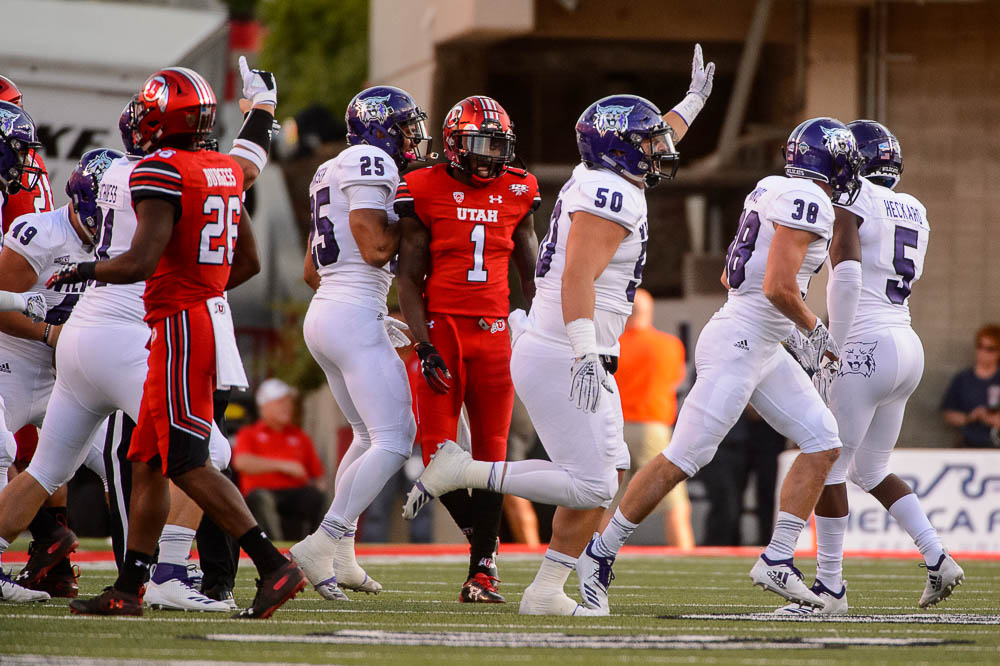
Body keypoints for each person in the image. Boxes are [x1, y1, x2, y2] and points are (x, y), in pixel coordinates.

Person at [406, 44, 713, 616]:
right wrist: (583, 352)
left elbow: (645, 139)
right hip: (564, 348)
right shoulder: (612, 192)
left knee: (611, 466)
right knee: (594, 483)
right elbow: (576, 277)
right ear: (622, 148)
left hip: (567, 344)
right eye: (648, 142)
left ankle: (547, 587)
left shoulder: (604, 175)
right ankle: (464, 470)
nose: (660, 150)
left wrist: (690, 105)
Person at [39, 65, 305, 619]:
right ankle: (130, 586)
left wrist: (85, 269)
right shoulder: (222, 170)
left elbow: (141, 260)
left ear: (165, 117)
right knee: (147, 461)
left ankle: (274, 564)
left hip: (179, 325)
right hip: (188, 320)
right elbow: (249, 262)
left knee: (187, 460)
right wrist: (204, 286)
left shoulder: (161, 170)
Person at [573, 114, 865, 614]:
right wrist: (814, 329)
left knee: (823, 442)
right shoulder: (810, 200)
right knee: (683, 458)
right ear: (833, 163)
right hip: (742, 341)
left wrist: (790, 331)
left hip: (758, 340)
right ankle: (598, 553)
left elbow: (745, 281)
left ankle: (777, 557)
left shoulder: (772, 187)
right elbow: (776, 286)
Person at [778, 120, 961, 615]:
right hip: (905, 341)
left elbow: (851, 273)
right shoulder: (915, 207)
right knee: (871, 469)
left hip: (863, 341)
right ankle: (937, 556)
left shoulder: (851, 198)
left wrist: (831, 346)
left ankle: (829, 589)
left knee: (826, 462)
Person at [396, 94, 541, 604]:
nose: (490, 156)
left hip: (496, 333)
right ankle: (487, 543)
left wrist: (543, 334)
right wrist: (423, 343)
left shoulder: (519, 188)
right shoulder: (422, 186)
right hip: (444, 331)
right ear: (455, 144)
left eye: (497, 145)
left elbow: (531, 271)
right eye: (480, 144)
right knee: (438, 453)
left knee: (493, 457)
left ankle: (483, 568)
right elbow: (408, 279)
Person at [288, 86, 431, 601]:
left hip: (329, 308)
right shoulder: (370, 159)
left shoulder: (332, 167)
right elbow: (374, 246)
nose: (412, 138)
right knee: (396, 438)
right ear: (381, 129)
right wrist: (415, 221)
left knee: (367, 437)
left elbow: (311, 269)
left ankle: (343, 555)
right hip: (350, 310)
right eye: (405, 127)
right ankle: (322, 541)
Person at [0, 146, 117, 603]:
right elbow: (1, 303)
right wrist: (51, 333)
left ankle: (142, 567)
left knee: (121, 455)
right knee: (3, 448)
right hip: (13, 364)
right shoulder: (38, 234)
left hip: (64, 376)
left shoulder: (119, 235)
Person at [608, 287, 691, 548]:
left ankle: (593, 555)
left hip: (614, 429)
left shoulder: (613, 345)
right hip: (652, 429)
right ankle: (686, 554)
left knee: (607, 505)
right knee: (674, 501)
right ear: (649, 311)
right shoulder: (670, 345)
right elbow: (675, 380)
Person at [234, 378, 326, 540]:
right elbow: (241, 462)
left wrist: (320, 488)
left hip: (294, 492)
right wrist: (283, 466)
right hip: (262, 493)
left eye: (289, 402)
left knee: (319, 497)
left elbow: (318, 477)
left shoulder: (300, 436)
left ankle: (320, 545)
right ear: (264, 407)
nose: (287, 407)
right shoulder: (249, 434)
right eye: (280, 403)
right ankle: (274, 548)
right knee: (262, 499)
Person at [941, 325, 1000, 447]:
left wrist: (987, 417)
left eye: (989, 349)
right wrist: (970, 417)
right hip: (968, 446)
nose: (982, 352)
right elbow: (948, 414)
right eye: (980, 346)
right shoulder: (963, 379)